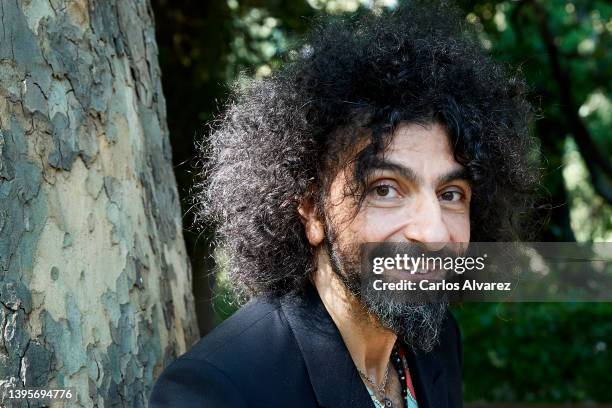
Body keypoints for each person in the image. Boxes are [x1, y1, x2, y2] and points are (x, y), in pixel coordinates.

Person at [150, 1, 539, 407]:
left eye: (451, 195)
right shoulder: (219, 390)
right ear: (312, 210)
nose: (434, 232)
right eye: (385, 189)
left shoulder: (437, 342)